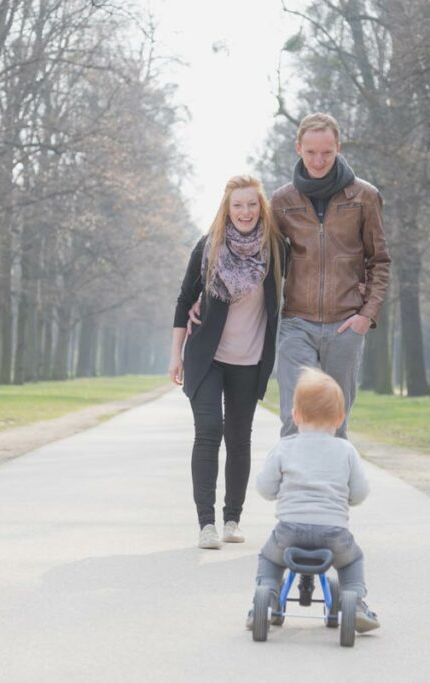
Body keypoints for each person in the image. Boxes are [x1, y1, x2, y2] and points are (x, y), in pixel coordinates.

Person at [189, 112, 390, 438]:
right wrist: (205, 296)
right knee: (295, 418)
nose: (319, 160)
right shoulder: (283, 201)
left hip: (346, 324)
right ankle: (292, 473)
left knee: (335, 422)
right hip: (297, 324)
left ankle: (333, 474)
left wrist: (366, 315)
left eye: (326, 152)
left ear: (338, 147)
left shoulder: (364, 197)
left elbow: (379, 260)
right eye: (311, 152)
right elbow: (249, 251)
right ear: (298, 148)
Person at [170, 175, 286, 550]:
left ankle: (232, 519)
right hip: (208, 358)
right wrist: (175, 354)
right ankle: (206, 524)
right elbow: (183, 299)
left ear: (261, 208)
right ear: (227, 208)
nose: (245, 212)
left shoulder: (275, 250)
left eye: (252, 204)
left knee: (239, 439)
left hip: (250, 360)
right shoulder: (208, 247)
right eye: (238, 205)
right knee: (208, 431)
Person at [247, 367, 379, 633]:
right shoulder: (346, 451)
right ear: (340, 418)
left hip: (289, 533)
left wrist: (279, 492)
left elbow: (265, 488)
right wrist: (346, 499)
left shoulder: (284, 447)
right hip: (334, 534)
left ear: (295, 415)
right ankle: (355, 602)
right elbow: (360, 492)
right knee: (352, 561)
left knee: (269, 559)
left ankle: (267, 598)